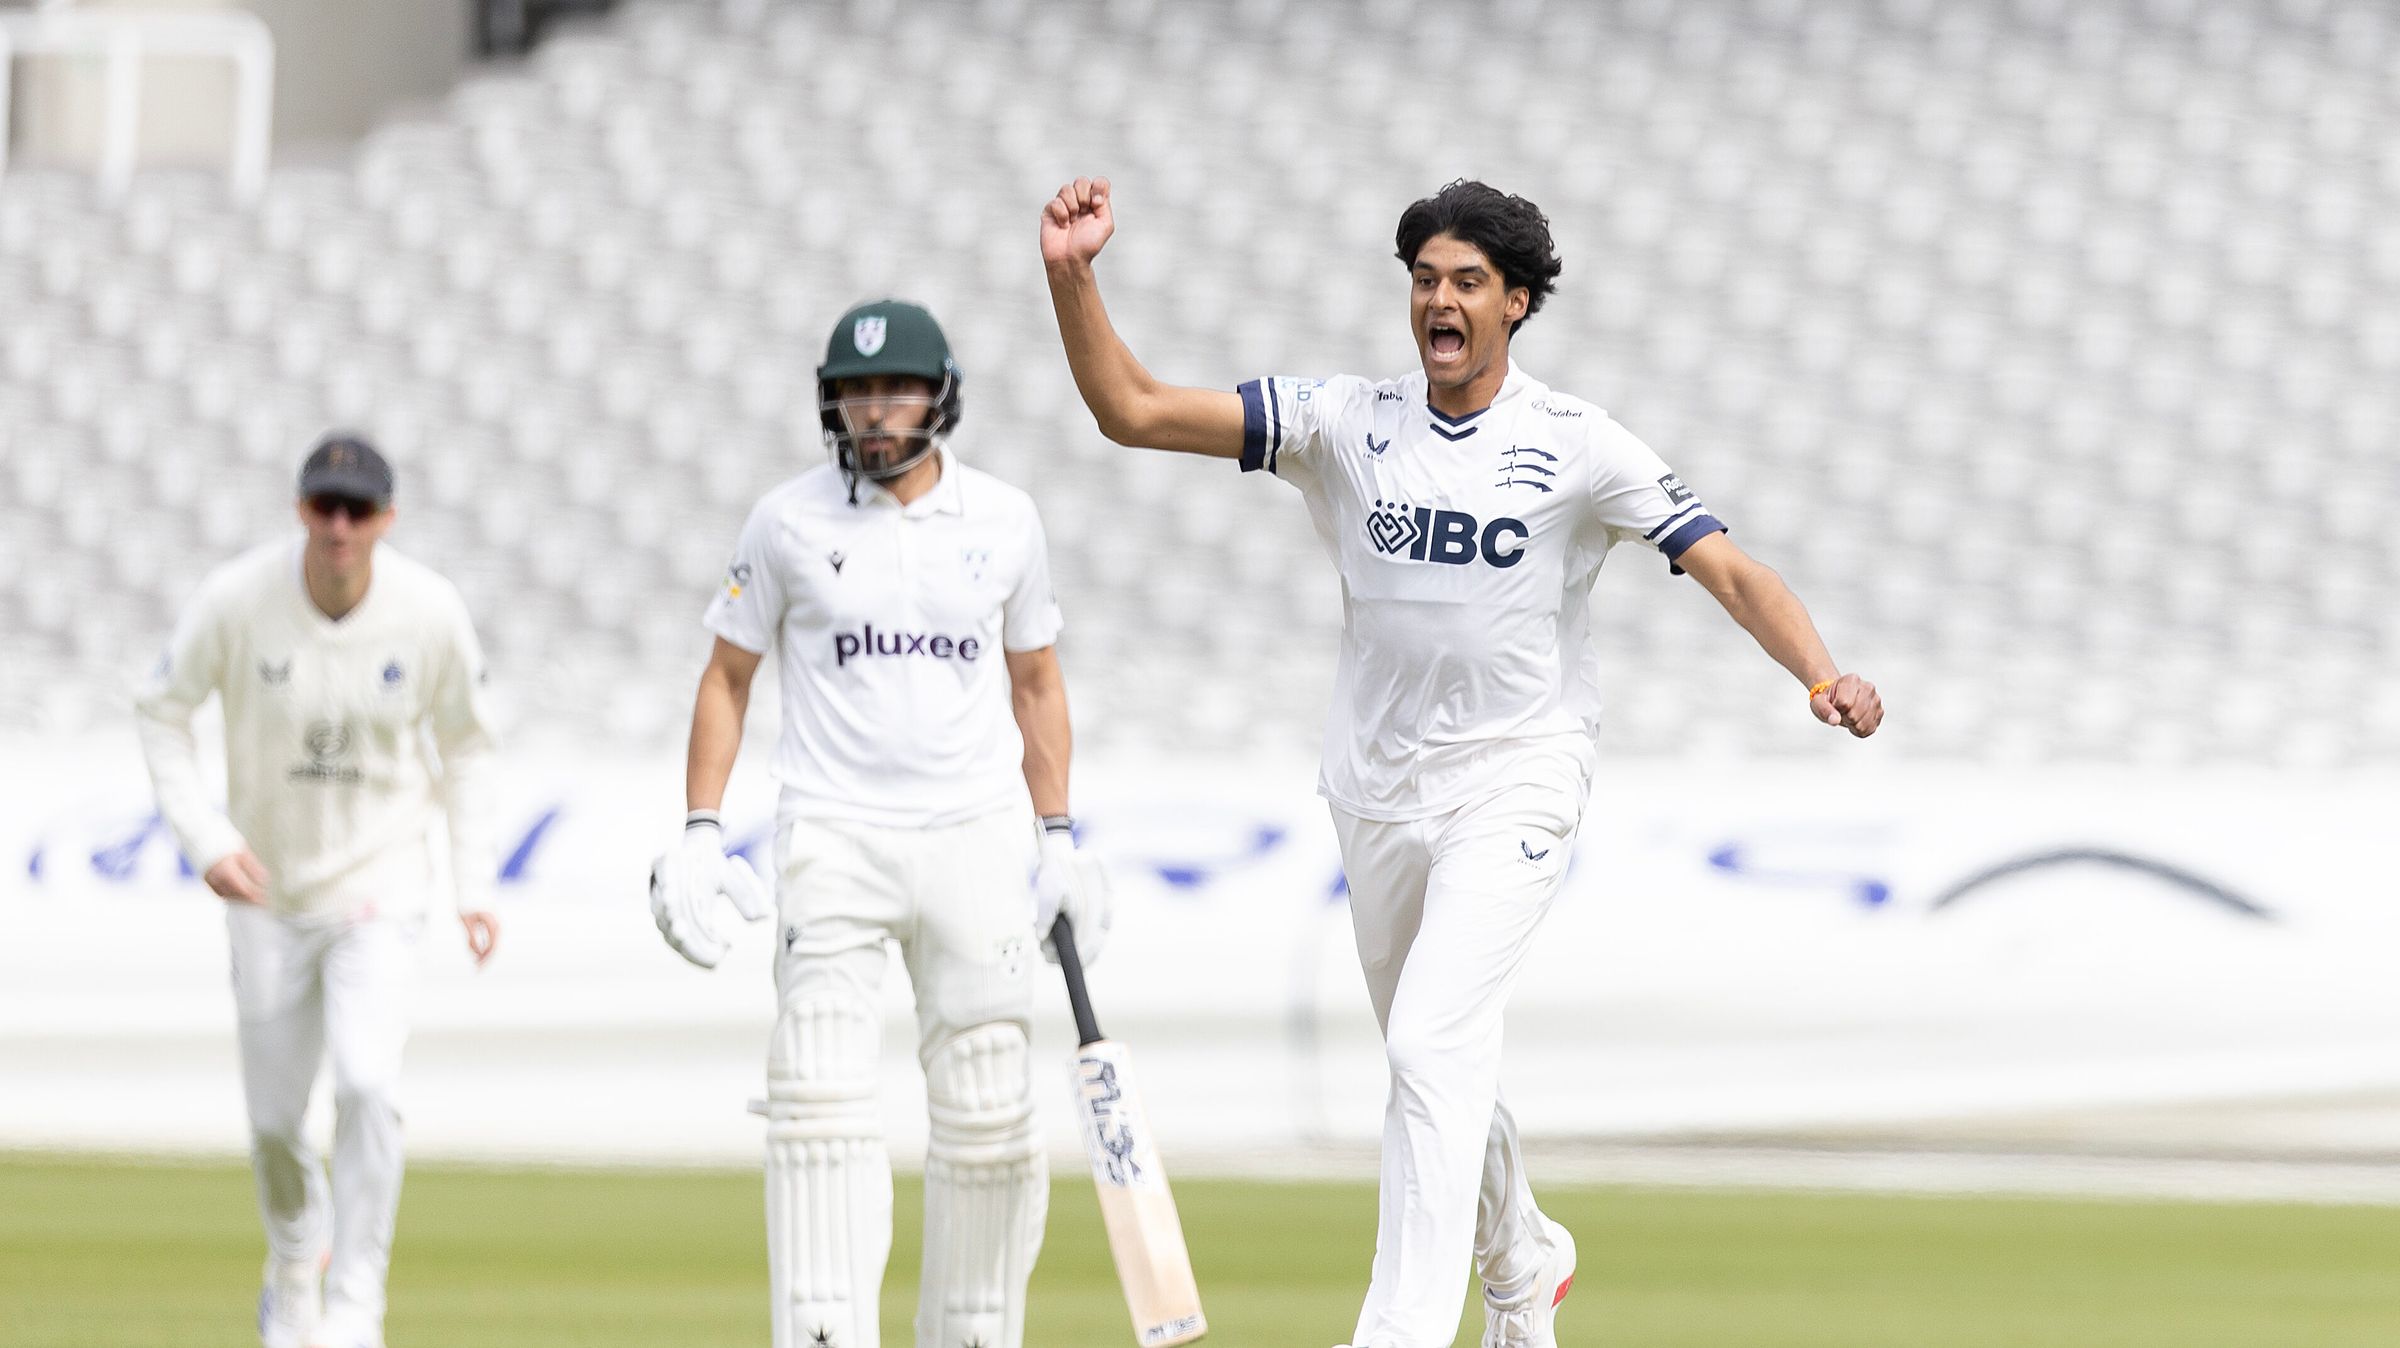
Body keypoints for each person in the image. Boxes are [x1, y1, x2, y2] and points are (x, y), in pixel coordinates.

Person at [1040, 176, 1884, 1348]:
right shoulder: (1343, 420)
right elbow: (1129, 408)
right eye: (1426, 280)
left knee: (1435, 1044)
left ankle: (1399, 1331)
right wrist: (1072, 276)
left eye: (1468, 283)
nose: (1441, 300)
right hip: (1377, 791)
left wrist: (1819, 671)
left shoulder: (1576, 443)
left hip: (1518, 777)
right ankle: (1525, 1256)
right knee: (1432, 1060)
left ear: (1519, 304)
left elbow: (1729, 566)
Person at [646, 298, 1107, 1348]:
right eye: (855, 390)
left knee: (990, 1114)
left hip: (975, 834)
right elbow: (727, 676)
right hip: (834, 836)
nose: (875, 409)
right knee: (816, 1105)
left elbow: (1036, 684)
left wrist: (1060, 836)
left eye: (895, 386)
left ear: (940, 394)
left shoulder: (1005, 519)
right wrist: (701, 829)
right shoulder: (787, 521)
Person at [133, 433, 503, 1348]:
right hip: (266, 890)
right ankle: (297, 1261)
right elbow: (162, 713)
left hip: (380, 886)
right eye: (324, 507)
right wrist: (206, 840)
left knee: (370, 1084)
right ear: (301, 510)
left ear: (386, 520)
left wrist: (475, 884)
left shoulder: (429, 611)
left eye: (358, 510)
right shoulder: (237, 599)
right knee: (271, 1124)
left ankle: (355, 1301)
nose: (339, 527)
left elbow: (467, 748)